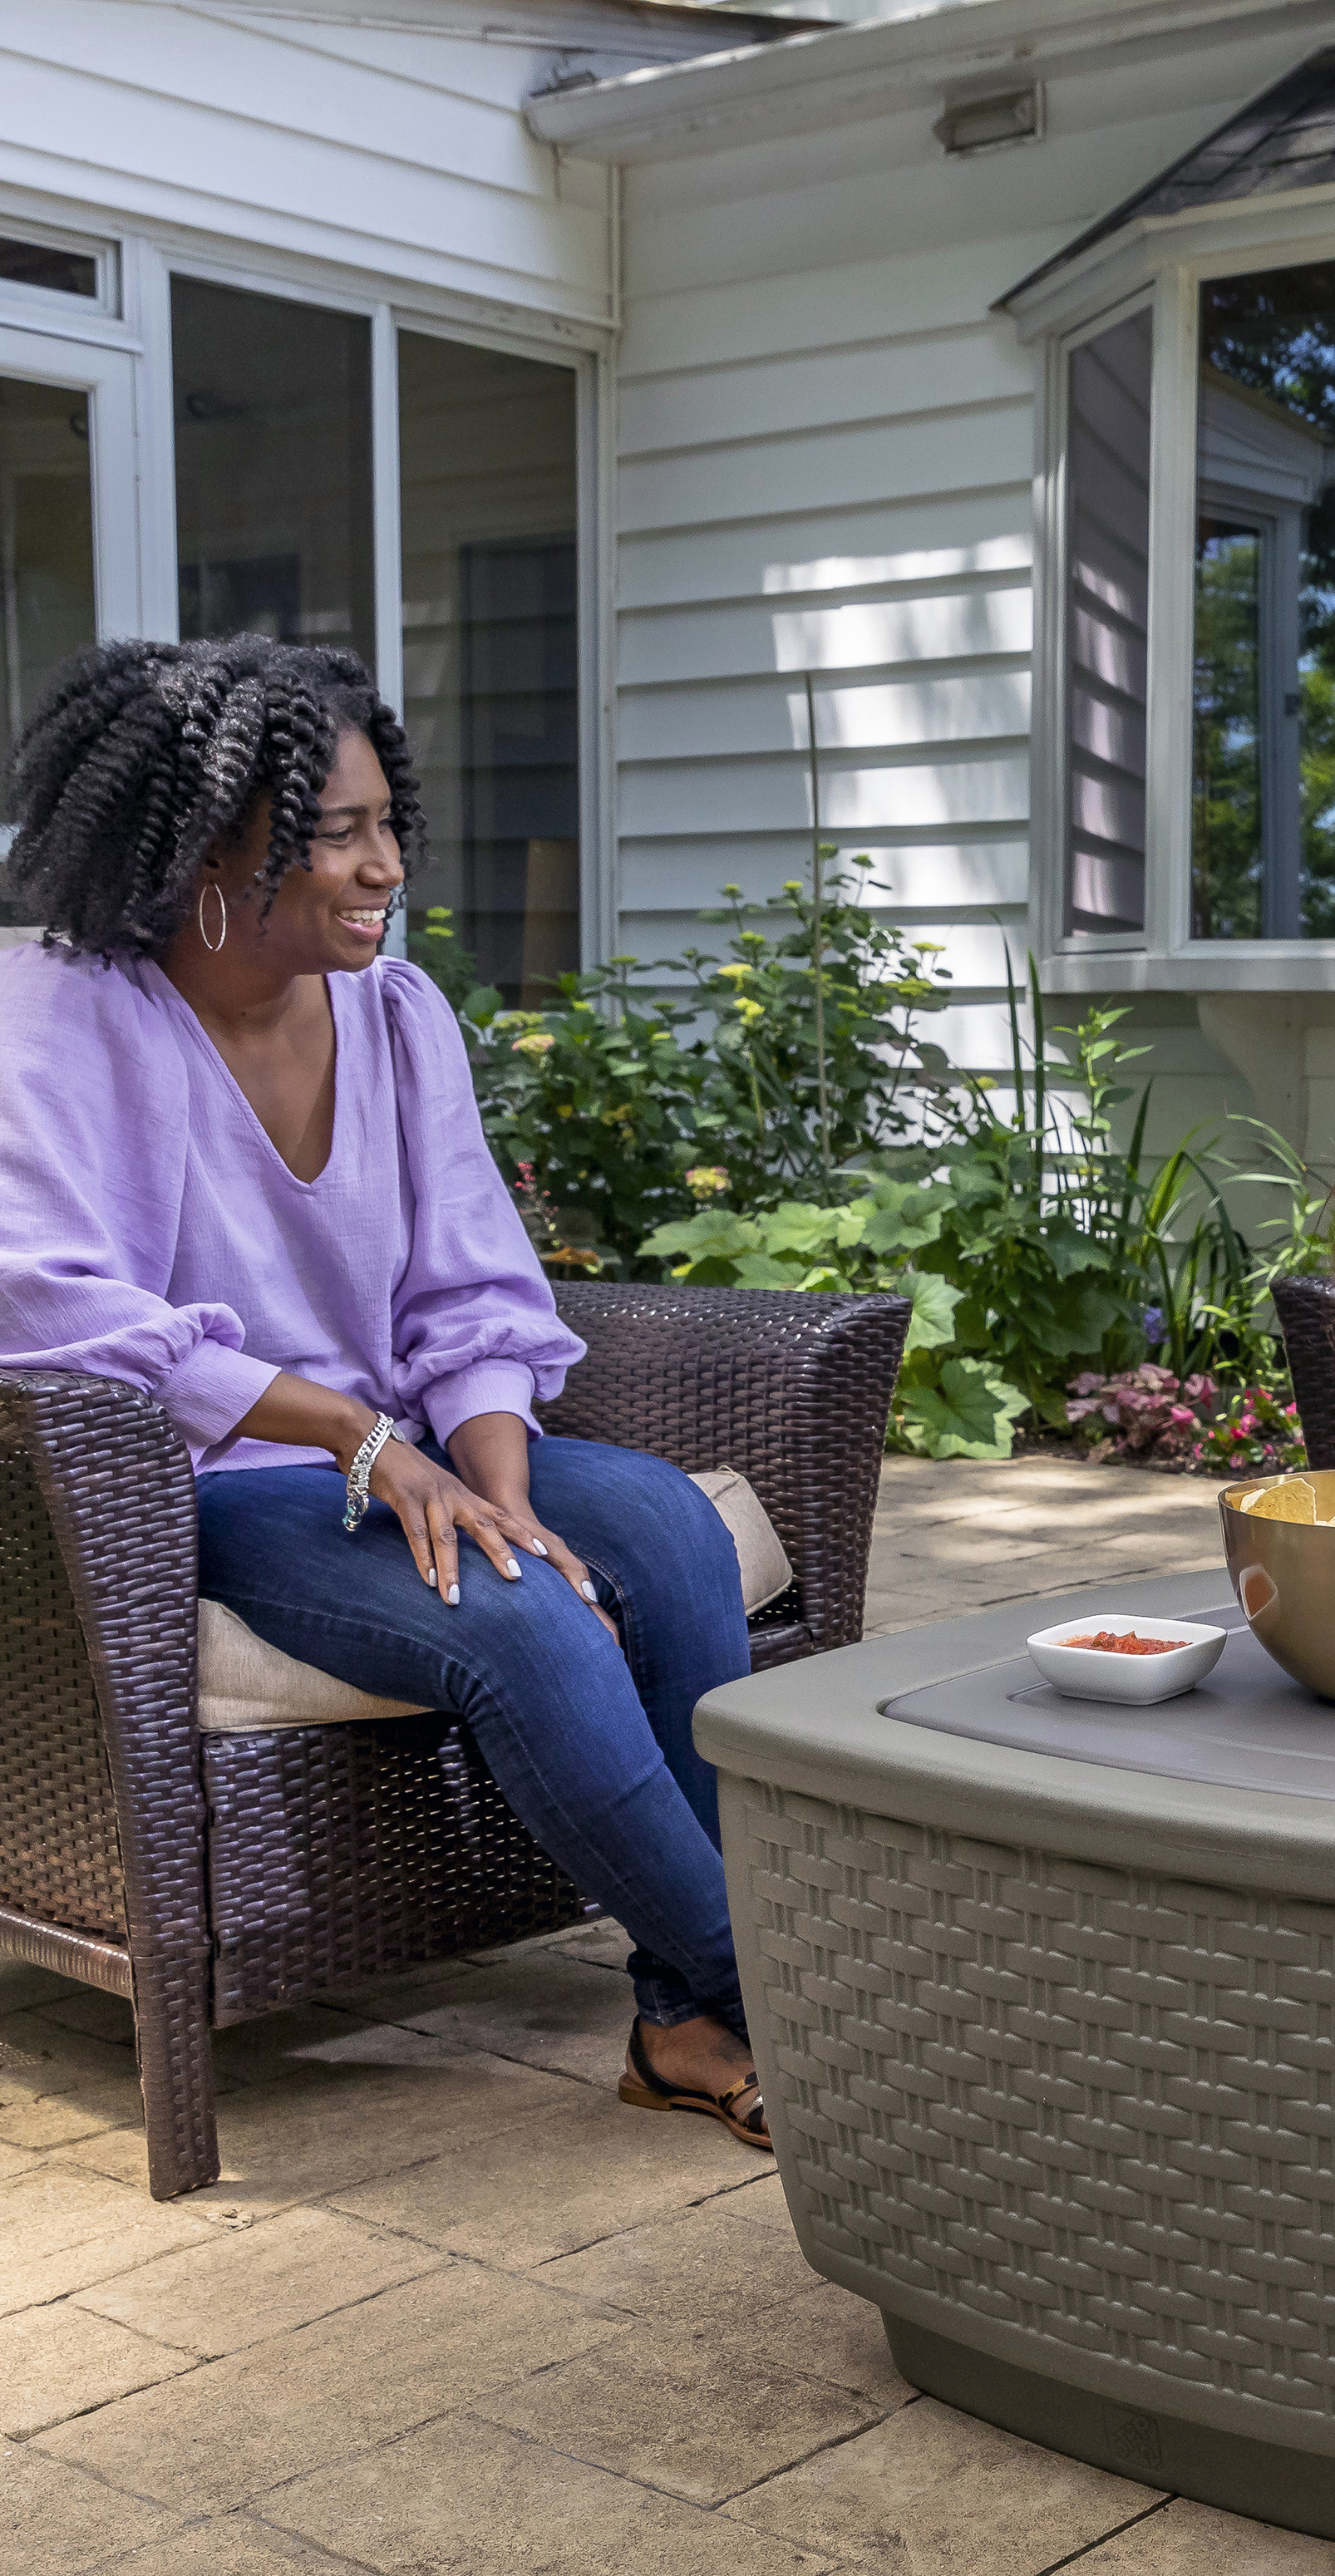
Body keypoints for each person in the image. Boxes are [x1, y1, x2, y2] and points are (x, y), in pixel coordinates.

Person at [0, 637, 771, 2150]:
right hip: (199, 1484)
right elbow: (49, 1306)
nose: (385, 867)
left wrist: (499, 1483)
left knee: (669, 1530)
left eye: (383, 826)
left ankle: (686, 2018)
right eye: (339, 835)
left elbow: (470, 1293)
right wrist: (354, 1435)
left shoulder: (401, 1017)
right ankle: (797, 1998)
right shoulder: (63, 1013)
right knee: (527, 1625)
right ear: (213, 842)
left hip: (398, 1450)